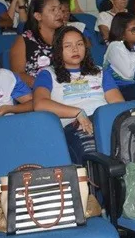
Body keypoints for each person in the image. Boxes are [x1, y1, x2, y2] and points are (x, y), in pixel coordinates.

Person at [33, 26, 123, 164]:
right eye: (68, 46)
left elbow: (117, 105)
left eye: (79, 44)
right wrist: (78, 113)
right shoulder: (48, 74)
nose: (75, 49)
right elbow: (40, 104)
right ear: (58, 50)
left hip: (104, 123)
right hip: (74, 126)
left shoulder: (99, 72)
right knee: (94, 158)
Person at [9, 0, 64, 87]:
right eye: (53, 10)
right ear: (38, 16)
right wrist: (44, 87)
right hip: (37, 91)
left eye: (59, 8)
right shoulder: (24, 40)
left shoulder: (67, 36)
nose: (59, 13)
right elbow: (18, 74)